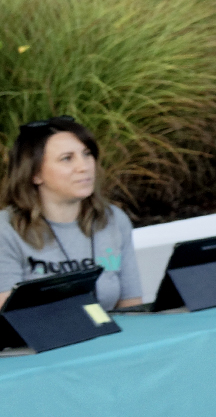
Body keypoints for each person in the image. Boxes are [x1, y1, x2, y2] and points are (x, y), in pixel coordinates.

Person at [1, 117, 143, 310]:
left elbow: (132, 307)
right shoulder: (6, 230)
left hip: (109, 335)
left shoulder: (113, 219)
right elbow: (10, 321)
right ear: (35, 174)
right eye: (67, 158)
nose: (84, 167)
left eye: (87, 154)